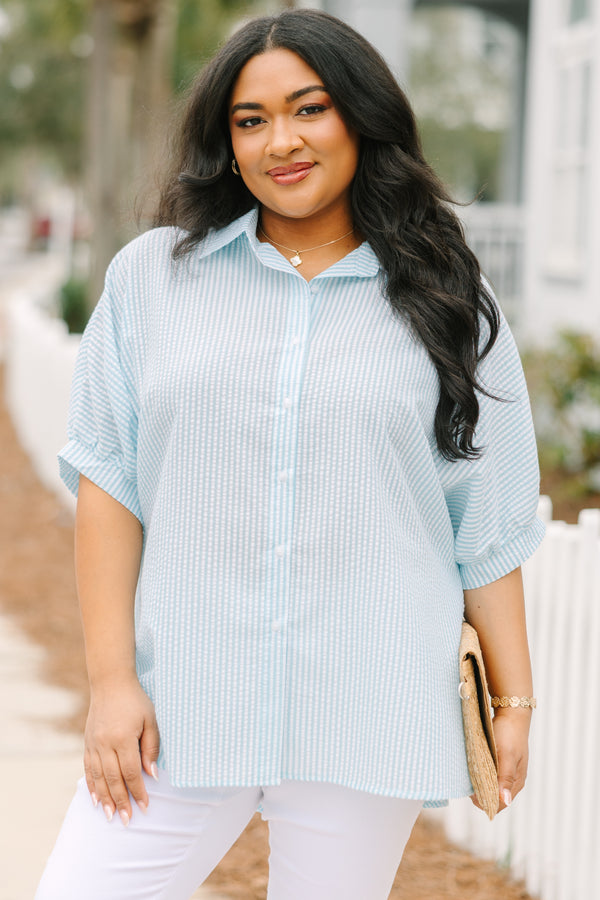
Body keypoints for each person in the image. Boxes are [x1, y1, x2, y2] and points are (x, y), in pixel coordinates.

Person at [36, 8, 543, 900]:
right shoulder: (152, 278)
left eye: (309, 109)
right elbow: (112, 483)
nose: (282, 141)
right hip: (184, 699)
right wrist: (112, 683)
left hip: (369, 705)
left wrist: (515, 704)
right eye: (251, 119)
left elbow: (487, 519)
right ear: (226, 144)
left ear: (361, 117)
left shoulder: (450, 298)